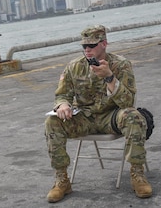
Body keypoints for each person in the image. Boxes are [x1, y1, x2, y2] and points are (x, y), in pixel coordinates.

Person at [45, 25, 152, 203]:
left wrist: (110, 77)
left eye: (92, 46)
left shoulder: (121, 64)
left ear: (104, 44)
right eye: (84, 47)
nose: (87, 50)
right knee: (52, 121)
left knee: (134, 117)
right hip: (84, 118)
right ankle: (62, 180)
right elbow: (62, 94)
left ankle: (137, 175)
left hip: (110, 117)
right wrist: (63, 104)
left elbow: (127, 103)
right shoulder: (75, 67)